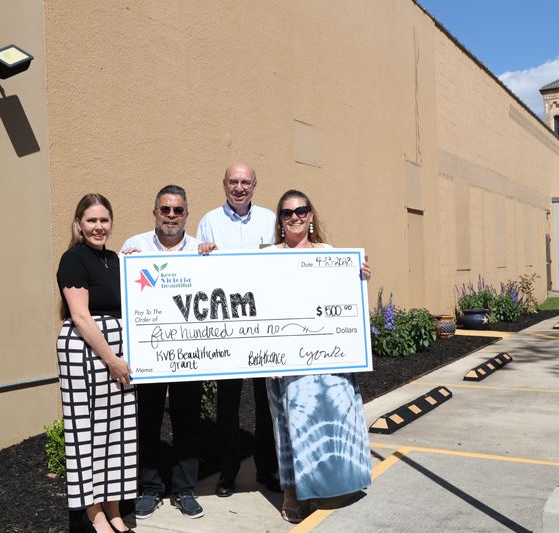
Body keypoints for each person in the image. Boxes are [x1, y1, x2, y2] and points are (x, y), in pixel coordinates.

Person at [265, 189, 373, 524]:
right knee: (287, 426)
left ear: (311, 216)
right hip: (285, 357)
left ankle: (335, 481)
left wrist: (360, 276)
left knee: (330, 419)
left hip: (326, 356)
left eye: (300, 210)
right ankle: (292, 492)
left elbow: (343, 300)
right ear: (280, 221)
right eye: (286, 213)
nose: (294, 217)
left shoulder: (329, 253)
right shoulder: (267, 256)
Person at [120, 185, 206, 520]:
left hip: (189, 354)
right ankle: (150, 489)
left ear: (187, 213)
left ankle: (184, 490)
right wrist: (124, 264)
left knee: (187, 423)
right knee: (148, 421)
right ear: (155, 211)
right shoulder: (135, 247)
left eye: (178, 210)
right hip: (150, 356)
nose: (171, 216)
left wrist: (215, 261)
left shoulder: (202, 249)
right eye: (165, 210)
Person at [196, 162, 281, 497]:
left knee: (265, 403)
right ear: (224, 184)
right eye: (233, 182)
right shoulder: (209, 222)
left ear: (255, 186)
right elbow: (195, 270)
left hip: (262, 326)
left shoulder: (270, 221)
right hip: (227, 328)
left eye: (245, 182)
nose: (239, 188)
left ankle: (266, 470)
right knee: (227, 407)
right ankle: (228, 474)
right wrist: (199, 252)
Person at [56, 194, 136, 533]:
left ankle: (114, 509)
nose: (98, 226)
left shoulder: (115, 260)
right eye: (91, 220)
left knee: (117, 432)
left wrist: (132, 262)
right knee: (86, 434)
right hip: (88, 353)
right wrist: (113, 361)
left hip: (115, 355)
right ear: (79, 224)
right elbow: (81, 316)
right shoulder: (73, 258)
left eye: (104, 220)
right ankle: (94, 513)